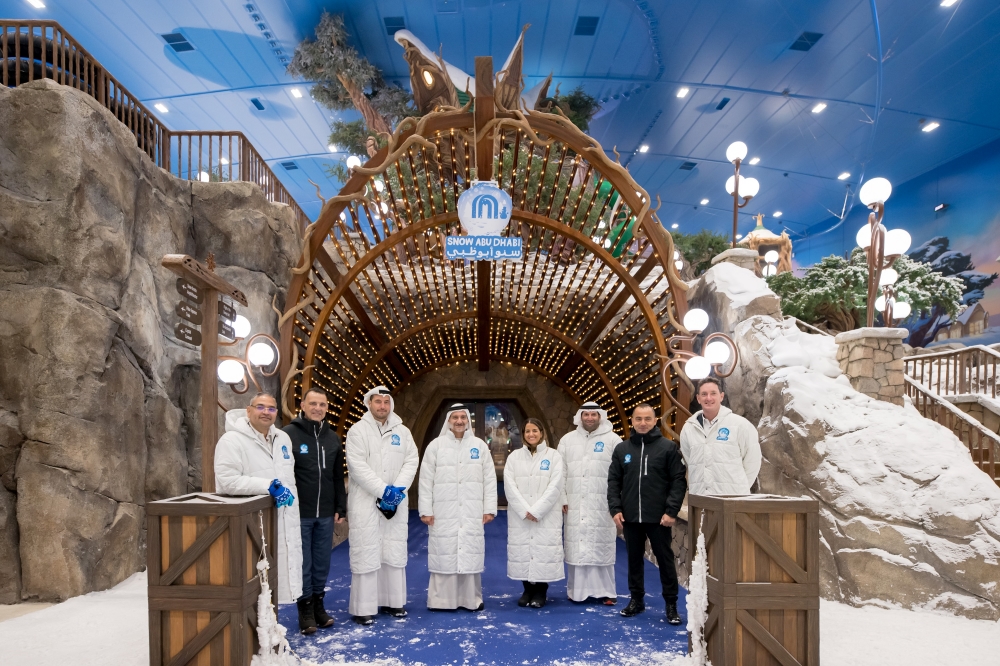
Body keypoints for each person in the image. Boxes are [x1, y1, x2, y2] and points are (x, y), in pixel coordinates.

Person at [215, 392, 303, 605]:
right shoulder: (231, 440)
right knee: (254, 584)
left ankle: (272, 623)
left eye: (271, 408)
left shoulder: (282, 438)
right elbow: (227, 481)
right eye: (260, 407)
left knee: (277, 583)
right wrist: (267, 486)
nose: (266, 412)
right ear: (248, 410)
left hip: (283, 518)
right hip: (252, 522)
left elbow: (288, 478)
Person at [344, 386, 419, 626]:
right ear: (369, 403)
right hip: (366, 502)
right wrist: (383, 490)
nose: (382, 406)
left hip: (395, 502)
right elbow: (357, 466)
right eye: (378, 401)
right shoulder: (357, 431)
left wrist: (398, 489)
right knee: (366, 551)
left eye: (386, 402)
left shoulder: (403, 432)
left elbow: (411, 460)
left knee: (392, 551)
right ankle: (364, 608)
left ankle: (393, 602)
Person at [608, 403, 686, 624]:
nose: (643, 423)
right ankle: (636, 600)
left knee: (665, 560)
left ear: (655, 420)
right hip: (631, 516)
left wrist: (671, 511)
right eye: (638, 419)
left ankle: (671, 605)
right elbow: (614, 481)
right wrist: (615, 508)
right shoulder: (622, 449)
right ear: (632, 421)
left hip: (659, 517)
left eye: (647, 419)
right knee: (633, 560)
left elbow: (678, 481)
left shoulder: (668, 448)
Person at [419, 404, 498, 611]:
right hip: (443, 511)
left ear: (468, 421)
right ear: (448, 421)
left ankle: (470, 599)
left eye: (463, 417)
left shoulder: (479, 446)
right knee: (444, 552)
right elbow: (425, 480)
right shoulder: (435, 446)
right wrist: (425, 510)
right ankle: (441, 601)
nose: (459, 421)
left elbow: (490, 479)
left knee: (469, 552)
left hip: (472, 510)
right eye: (455, 417)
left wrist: (489, 508)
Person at [283, 387, 347, 634]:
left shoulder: (333, 438)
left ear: (327, 408)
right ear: (303, 405)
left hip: (326, 513)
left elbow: (337, 476)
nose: (318, 408)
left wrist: (340, 505)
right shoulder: (289, 435)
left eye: (322, 404)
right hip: (300, 513)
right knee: (303, 563)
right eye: (313, 404)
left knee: (322, 562)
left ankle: (319, 605)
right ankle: (305, 610)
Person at [559, 401, 623, 605]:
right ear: (580, 416)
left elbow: (621, 473)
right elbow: (560, 472)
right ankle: (577, 592)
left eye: (593, 414)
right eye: (585, 414)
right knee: (578, 546)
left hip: (602, 503)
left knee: (601, 545)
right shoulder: (567, 440)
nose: (589, 418)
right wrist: (563, 498)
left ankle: (606, 591)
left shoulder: (613, 440)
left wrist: (617, 502)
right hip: (575, 502)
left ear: (600, 416)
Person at [504, 418, 565, 608]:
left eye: (535, 431)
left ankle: (540, 591)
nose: (531, 434)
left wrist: (538, 510)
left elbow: (556, 485)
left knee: (543, 550)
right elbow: (509, 485)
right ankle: (527, 590)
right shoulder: (514, 457)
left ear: (542, 432)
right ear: (523, 434)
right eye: (527, 431)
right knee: (523, 550)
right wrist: (525, 509)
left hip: (546, 515)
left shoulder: (553, 456)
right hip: (520, 515)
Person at [680, 377, 761, 496]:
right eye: (704, 394)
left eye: (713, 393)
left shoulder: (740, 425)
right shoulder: (688, 429)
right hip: (700, 498)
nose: (708, 398)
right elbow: (689, 460)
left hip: (732, 499)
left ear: (721, 396)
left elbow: (753, 461)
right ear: (698, 398)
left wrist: (738, 489)